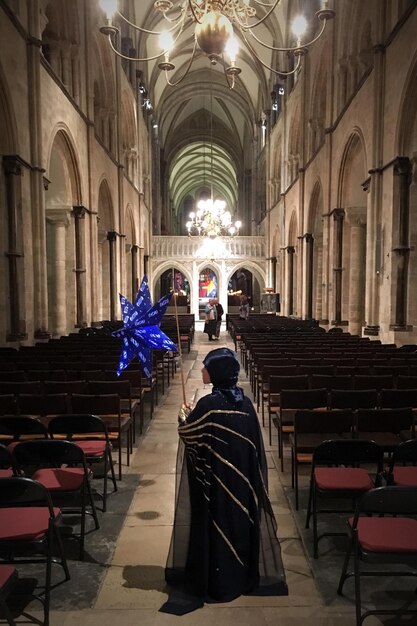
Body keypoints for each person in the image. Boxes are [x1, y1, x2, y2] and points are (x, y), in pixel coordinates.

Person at [163, 348, 288, 614]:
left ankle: (217, 578)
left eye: (206, 367)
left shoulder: (208, 405)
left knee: (216, 522)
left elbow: (189, 433)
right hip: (241, 481)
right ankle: (240, 573)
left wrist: (184, 417)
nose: (201, 370)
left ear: (217, 372)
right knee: (238, 522)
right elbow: (253, 445)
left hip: (215, 482)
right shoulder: (245, 404)